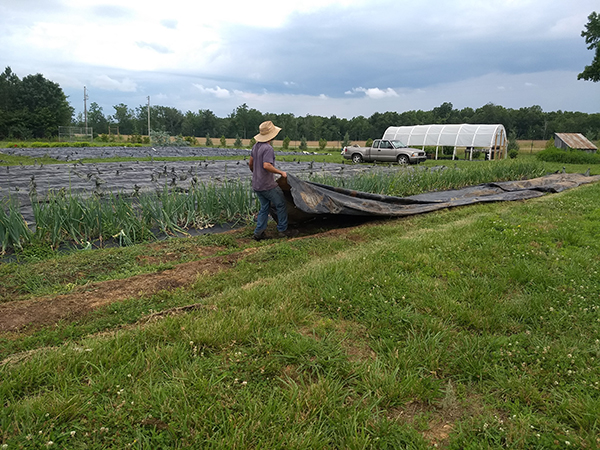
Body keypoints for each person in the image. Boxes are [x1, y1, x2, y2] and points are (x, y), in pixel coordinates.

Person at [248, 121, 298, 240]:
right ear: (272, 135)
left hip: (256, 184)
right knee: (281, 204)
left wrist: (256, 174)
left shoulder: (255, 146)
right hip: (267, 185)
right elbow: (266, 165)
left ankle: (259, 232)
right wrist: (281, 173)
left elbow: (251, 163)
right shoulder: (268, 148)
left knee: (265, 207)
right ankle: (282, 230)